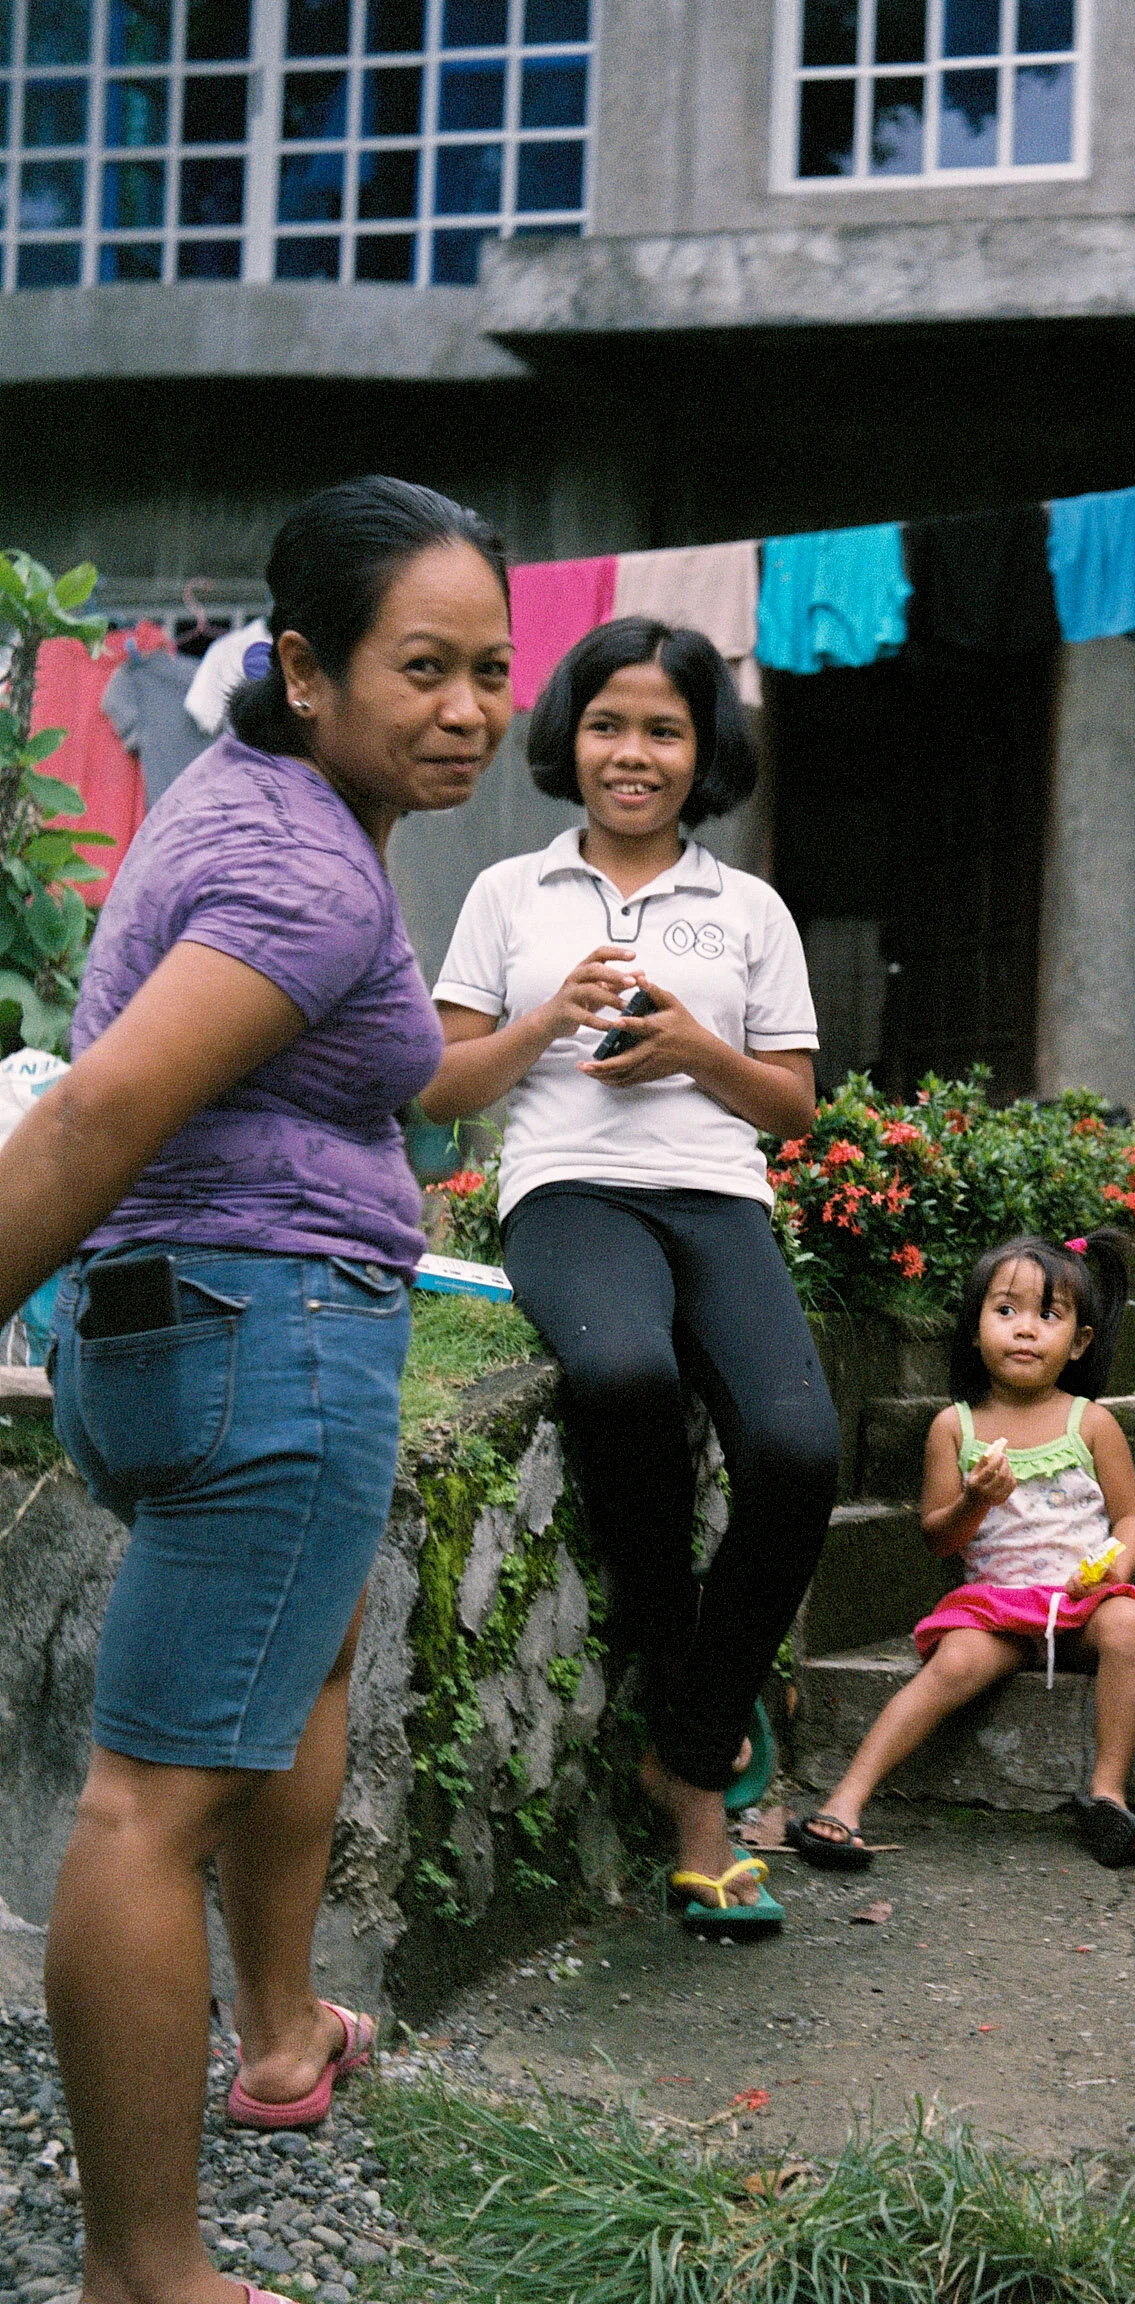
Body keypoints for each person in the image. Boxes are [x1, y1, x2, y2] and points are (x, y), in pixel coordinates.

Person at [0, 476, 513, 2304]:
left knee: (297, 1665)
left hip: (177, 1333)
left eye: (487, 669)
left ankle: (281, 2030)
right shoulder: (301, 867)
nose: (465, 707)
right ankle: (149, 2269)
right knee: (147, 1806)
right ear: (304, 666)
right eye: (420, 667)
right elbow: (96, 1109)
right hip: (264, 1338)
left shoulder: (255, 806)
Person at [418, 616, 837, 1939]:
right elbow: (437, 1084)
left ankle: (690, 1729)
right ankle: (704, 1790)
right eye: (609, 724)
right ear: (570, 737)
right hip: (568, 1196)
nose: (634, 753)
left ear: (702, 749)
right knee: (620, 1374)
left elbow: (793, 1112)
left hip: (717, 1199)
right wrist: (550, 1019)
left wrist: (695, 1051)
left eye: (664, 728)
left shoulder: (748, 907)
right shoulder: (507, 895)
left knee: (797, 1450)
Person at [791, 1232, 1135, 1871]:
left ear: (1078, 1343)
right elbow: (939, 1538)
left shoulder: (1091, 1424)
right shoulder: (954, 1428)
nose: (1025, 1331)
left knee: (1128, 1622)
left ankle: (1107, 1792)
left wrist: (1113, 1570)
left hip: (1080, 1604)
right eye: (1006, 1311)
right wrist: (974, 1501)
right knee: (954, 1661)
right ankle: (847, 1801)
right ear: (973, 1329)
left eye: (1048, 1316)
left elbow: (1130, 1517)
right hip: (994, 1611)